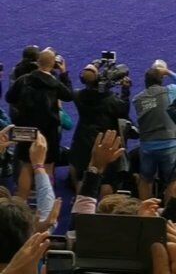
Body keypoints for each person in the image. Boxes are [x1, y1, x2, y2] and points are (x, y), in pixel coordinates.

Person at [5, 48, 74, 199]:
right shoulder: (54, 83)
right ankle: (46, 201)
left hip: (25, 128)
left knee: (26, 164)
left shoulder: (23, 80)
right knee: (47, 166)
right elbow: (69, 95)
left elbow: (9, 98)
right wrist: (63, 74)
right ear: (53, 64)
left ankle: (22, 199)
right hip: (48, 131)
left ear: (37, 62)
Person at [132, 62, 176, 201]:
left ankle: (146, 214)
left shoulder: (137, 99)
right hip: (169, 144)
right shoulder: (169, 91)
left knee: (146, 180)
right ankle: (170, 213)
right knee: (172, 181)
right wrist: (168, 71)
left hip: (147, 145)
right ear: (162, 79)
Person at [69, 63, 131, 188]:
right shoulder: (111, 100)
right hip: (104, 141)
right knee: (106, 180)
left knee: (82, 175)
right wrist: (125, 91)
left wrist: (94, 66)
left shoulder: (78, 95)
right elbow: (123, 109)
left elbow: (70, 89)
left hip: (83, 139)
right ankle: (104, 207)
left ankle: (80, 202)